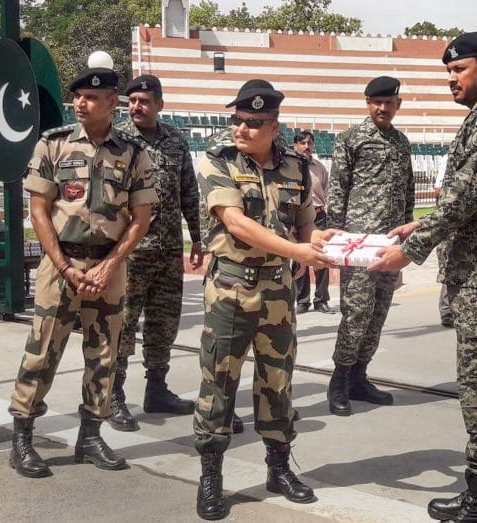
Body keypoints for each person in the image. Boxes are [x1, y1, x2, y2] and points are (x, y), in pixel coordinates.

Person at [369, 32, 477, 522]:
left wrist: (410, 251)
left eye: (458, 71)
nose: (451, 80)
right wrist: (420, 224)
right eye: (448, 72)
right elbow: (476, 201)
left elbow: (462, 201)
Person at [194, 79, 336, 520]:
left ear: (274, 126)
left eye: (253, 123)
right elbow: (236, 223)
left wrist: (324, 242)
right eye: (237, 119)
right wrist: (297, 251)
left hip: (277, 290)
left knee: (277, 383)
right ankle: (211, 477)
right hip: (232, 288)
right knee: (219, 382)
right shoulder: (217, 161)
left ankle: (278, 469)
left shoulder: (296, 167)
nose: (241, 128)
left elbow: (306, 224)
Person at [8, 67, 158, 477]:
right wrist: (63, 266)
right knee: (43, 351)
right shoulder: (52, 145)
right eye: (77, 97)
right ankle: (22, 436)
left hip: (109, 266)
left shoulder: (133, 153)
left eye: (90, 98)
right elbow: (38, 210)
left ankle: (90, 434)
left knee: (105, 354)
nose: (80, 103)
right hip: (61, 264)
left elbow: (141, 218)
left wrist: (110, 264)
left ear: (112, 103)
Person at [107, 75, 203, 432]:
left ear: (159, 104)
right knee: (123, 325)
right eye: (131, 101)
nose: (136, 107)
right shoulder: (116, 141)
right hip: (129, 253)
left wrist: (197, 237)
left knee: (164, 325)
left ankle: (157, 389)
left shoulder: (175, 141)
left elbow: (189, 193)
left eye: (144, 101)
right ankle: (113, 395)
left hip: (166, 252)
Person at [325, 75, 415, 417]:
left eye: (388, 103)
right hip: (359, 243)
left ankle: (360, 377)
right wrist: (337, 236)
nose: (382, 108)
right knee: (356, 313)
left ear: (397, 105)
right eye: (376, 102)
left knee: (378, 314)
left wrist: (406, 237)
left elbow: (408, 191)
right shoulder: (351, 139)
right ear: (367, 103)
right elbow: (338, 189)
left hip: (389, 245)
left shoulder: (401, 143)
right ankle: (339, 380)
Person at [291, 131, 334, 314]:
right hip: (298, 217)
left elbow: (327, 190)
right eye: (302, 143)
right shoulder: (290, 167)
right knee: (300, 258)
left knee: (321, 258)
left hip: (318, 215)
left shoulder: (320, 167)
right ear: (295, 146)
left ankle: (321, 300)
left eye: (309, 143)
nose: (306, 146)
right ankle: (302, 300)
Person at [432, 160, 454, 328]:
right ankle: (446, 311)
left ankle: (451, 309)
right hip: (447, 225)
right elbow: (438, 189)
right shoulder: (447, 158)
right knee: (448, 267)